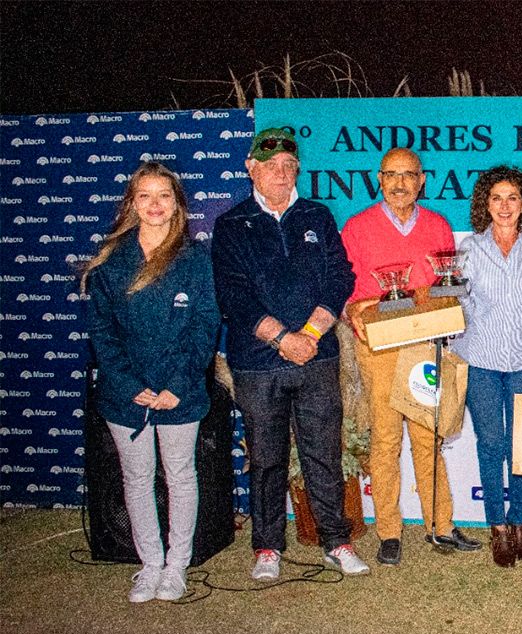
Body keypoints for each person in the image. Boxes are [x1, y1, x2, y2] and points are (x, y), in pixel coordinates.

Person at [212, 128, 369, 579]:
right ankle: (267, 547)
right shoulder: (231, 224)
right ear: (251, 169)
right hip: (258, 364)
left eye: (288, 166)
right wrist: (283, 339)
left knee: (324, 452)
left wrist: (312, 332)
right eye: (270, 166)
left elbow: (340, 276)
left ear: (297, 170)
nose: (280, 174)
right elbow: (233, 296)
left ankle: (336, 541)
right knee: (266, 457)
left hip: (317, 358)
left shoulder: (318, 216)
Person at [83, 162, 220, 602]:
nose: (155, 204)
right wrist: (126, 384)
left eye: (164, 195)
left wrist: (178, 383)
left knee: (180, 476)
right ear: (132, 202)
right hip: (126, 395)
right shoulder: (111, 258)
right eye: (145, 195)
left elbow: (205, 326)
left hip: (179, 391)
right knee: (136, 479)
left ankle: (177, 566)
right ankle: (150, 566)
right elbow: (101, 331)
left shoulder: (195, 258)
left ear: (177, 203)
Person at [341, 148, 481, 564]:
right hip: (380, 349)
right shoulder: (357, 227)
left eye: (409, 175)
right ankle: (389, 532)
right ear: (379, 180)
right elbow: (345, 291)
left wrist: (444, 302)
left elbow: (445, 287)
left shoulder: (438, 226)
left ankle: (440, 525)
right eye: (391, 175)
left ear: (422, 180)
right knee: (385, 440)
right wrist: (355, 311)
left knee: (429, 437)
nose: (400, 183)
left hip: (424, 344)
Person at [456, 165, 522, 568]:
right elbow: (460, 305)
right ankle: (496, 527)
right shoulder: (468, 249)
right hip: (480, 361)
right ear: (485, 203)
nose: (504, 206)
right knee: (491, 445)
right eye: (496, 198)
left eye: (512, 198)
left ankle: (520, 525)